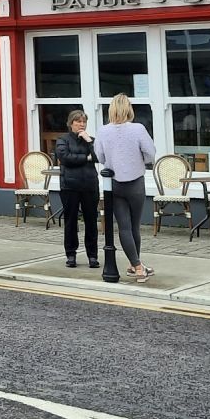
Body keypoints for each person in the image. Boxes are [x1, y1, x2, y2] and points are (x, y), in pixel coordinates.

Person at [93, 94, 156, 281]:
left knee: (124, 227)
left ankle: (133, 264)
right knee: (134, 226)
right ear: (129, 109)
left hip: (114, 184)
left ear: (111, 109)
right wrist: (139, 162)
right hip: (136, 182)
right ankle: (137, 267)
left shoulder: (103, 131)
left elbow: (100, 157)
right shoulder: (138, 129)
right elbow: (151, 153)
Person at [53, 109, 100, 269]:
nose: (81, 124)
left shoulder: (90, 140)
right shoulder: (63, 139)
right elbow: (65, 158)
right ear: (71, 123)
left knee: (91, 221)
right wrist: (86, 158)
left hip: (89, 185)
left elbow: (99, 156)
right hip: (70, 186)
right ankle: (71, 254)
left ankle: (92, 256)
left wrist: (89, 142)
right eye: (78, 121)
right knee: (71, 221)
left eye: (83, 121)